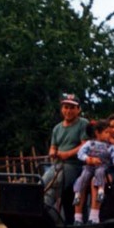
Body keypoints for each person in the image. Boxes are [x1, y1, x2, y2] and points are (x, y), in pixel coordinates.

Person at [42, 93, 89, 221]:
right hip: (57, 164)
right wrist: (52, 152)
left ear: (78, 109)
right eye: (66, 107)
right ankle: (42, 213)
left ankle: (45, 212)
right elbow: (53, 146)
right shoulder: (57, 128)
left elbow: (85, 145)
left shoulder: (83, 124)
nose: (68, 110)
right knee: (43, 184)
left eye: (72, 107)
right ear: (62, 109)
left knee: (54, 182)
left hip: (75, 165)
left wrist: (67, 154)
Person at [72, 120, 114, 224]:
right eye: (106, 132)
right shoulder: (90, 143)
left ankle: (94, 216)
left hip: (101, 167)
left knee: (98, 176)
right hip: (89, 167)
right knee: (82, 178)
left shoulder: (111, 146)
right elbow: (81, 153)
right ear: (97, 133)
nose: (109, 135)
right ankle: (78, 217)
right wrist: (88, 159)